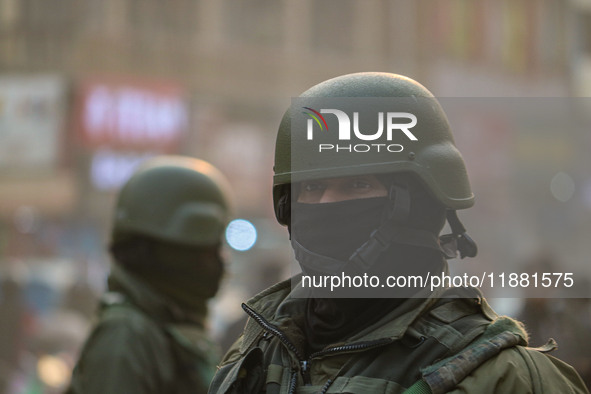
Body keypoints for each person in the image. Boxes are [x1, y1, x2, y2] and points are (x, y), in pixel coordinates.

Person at [208, 73, 589, 393]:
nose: (325, 205)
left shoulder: (506, 378)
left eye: (357, 185)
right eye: (310, 189)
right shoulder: (257, 351)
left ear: (421, 204)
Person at [66, 156, 231, 394]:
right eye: (205, 250)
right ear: (169, 252)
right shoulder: (127, 336)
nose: (219, 261)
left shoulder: (166, 329)